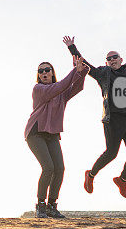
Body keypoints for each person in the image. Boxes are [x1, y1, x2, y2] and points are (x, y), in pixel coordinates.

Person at [66, 25, 126, 199]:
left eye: (115, 57)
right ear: (107, 62)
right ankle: (91, 174)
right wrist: (72, 48)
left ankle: (122, 180)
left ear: (121, 59)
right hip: (113, 119)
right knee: (111, 153)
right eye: (109, 58)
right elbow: (86, 64)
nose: (112, 59)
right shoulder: (103, 73)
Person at [24, 43, 89, 219]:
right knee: (48, 168)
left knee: (59, 168)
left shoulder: (60, 93)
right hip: (35, 132)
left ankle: (52, 206)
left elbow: (77, 87)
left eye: (47, 70)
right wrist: (74, 71)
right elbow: (61, 86)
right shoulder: (39, 89)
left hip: (52, 134)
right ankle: (41, 206)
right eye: (41, 71)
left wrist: (82, 71)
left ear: (52, 73)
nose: (44, 73)